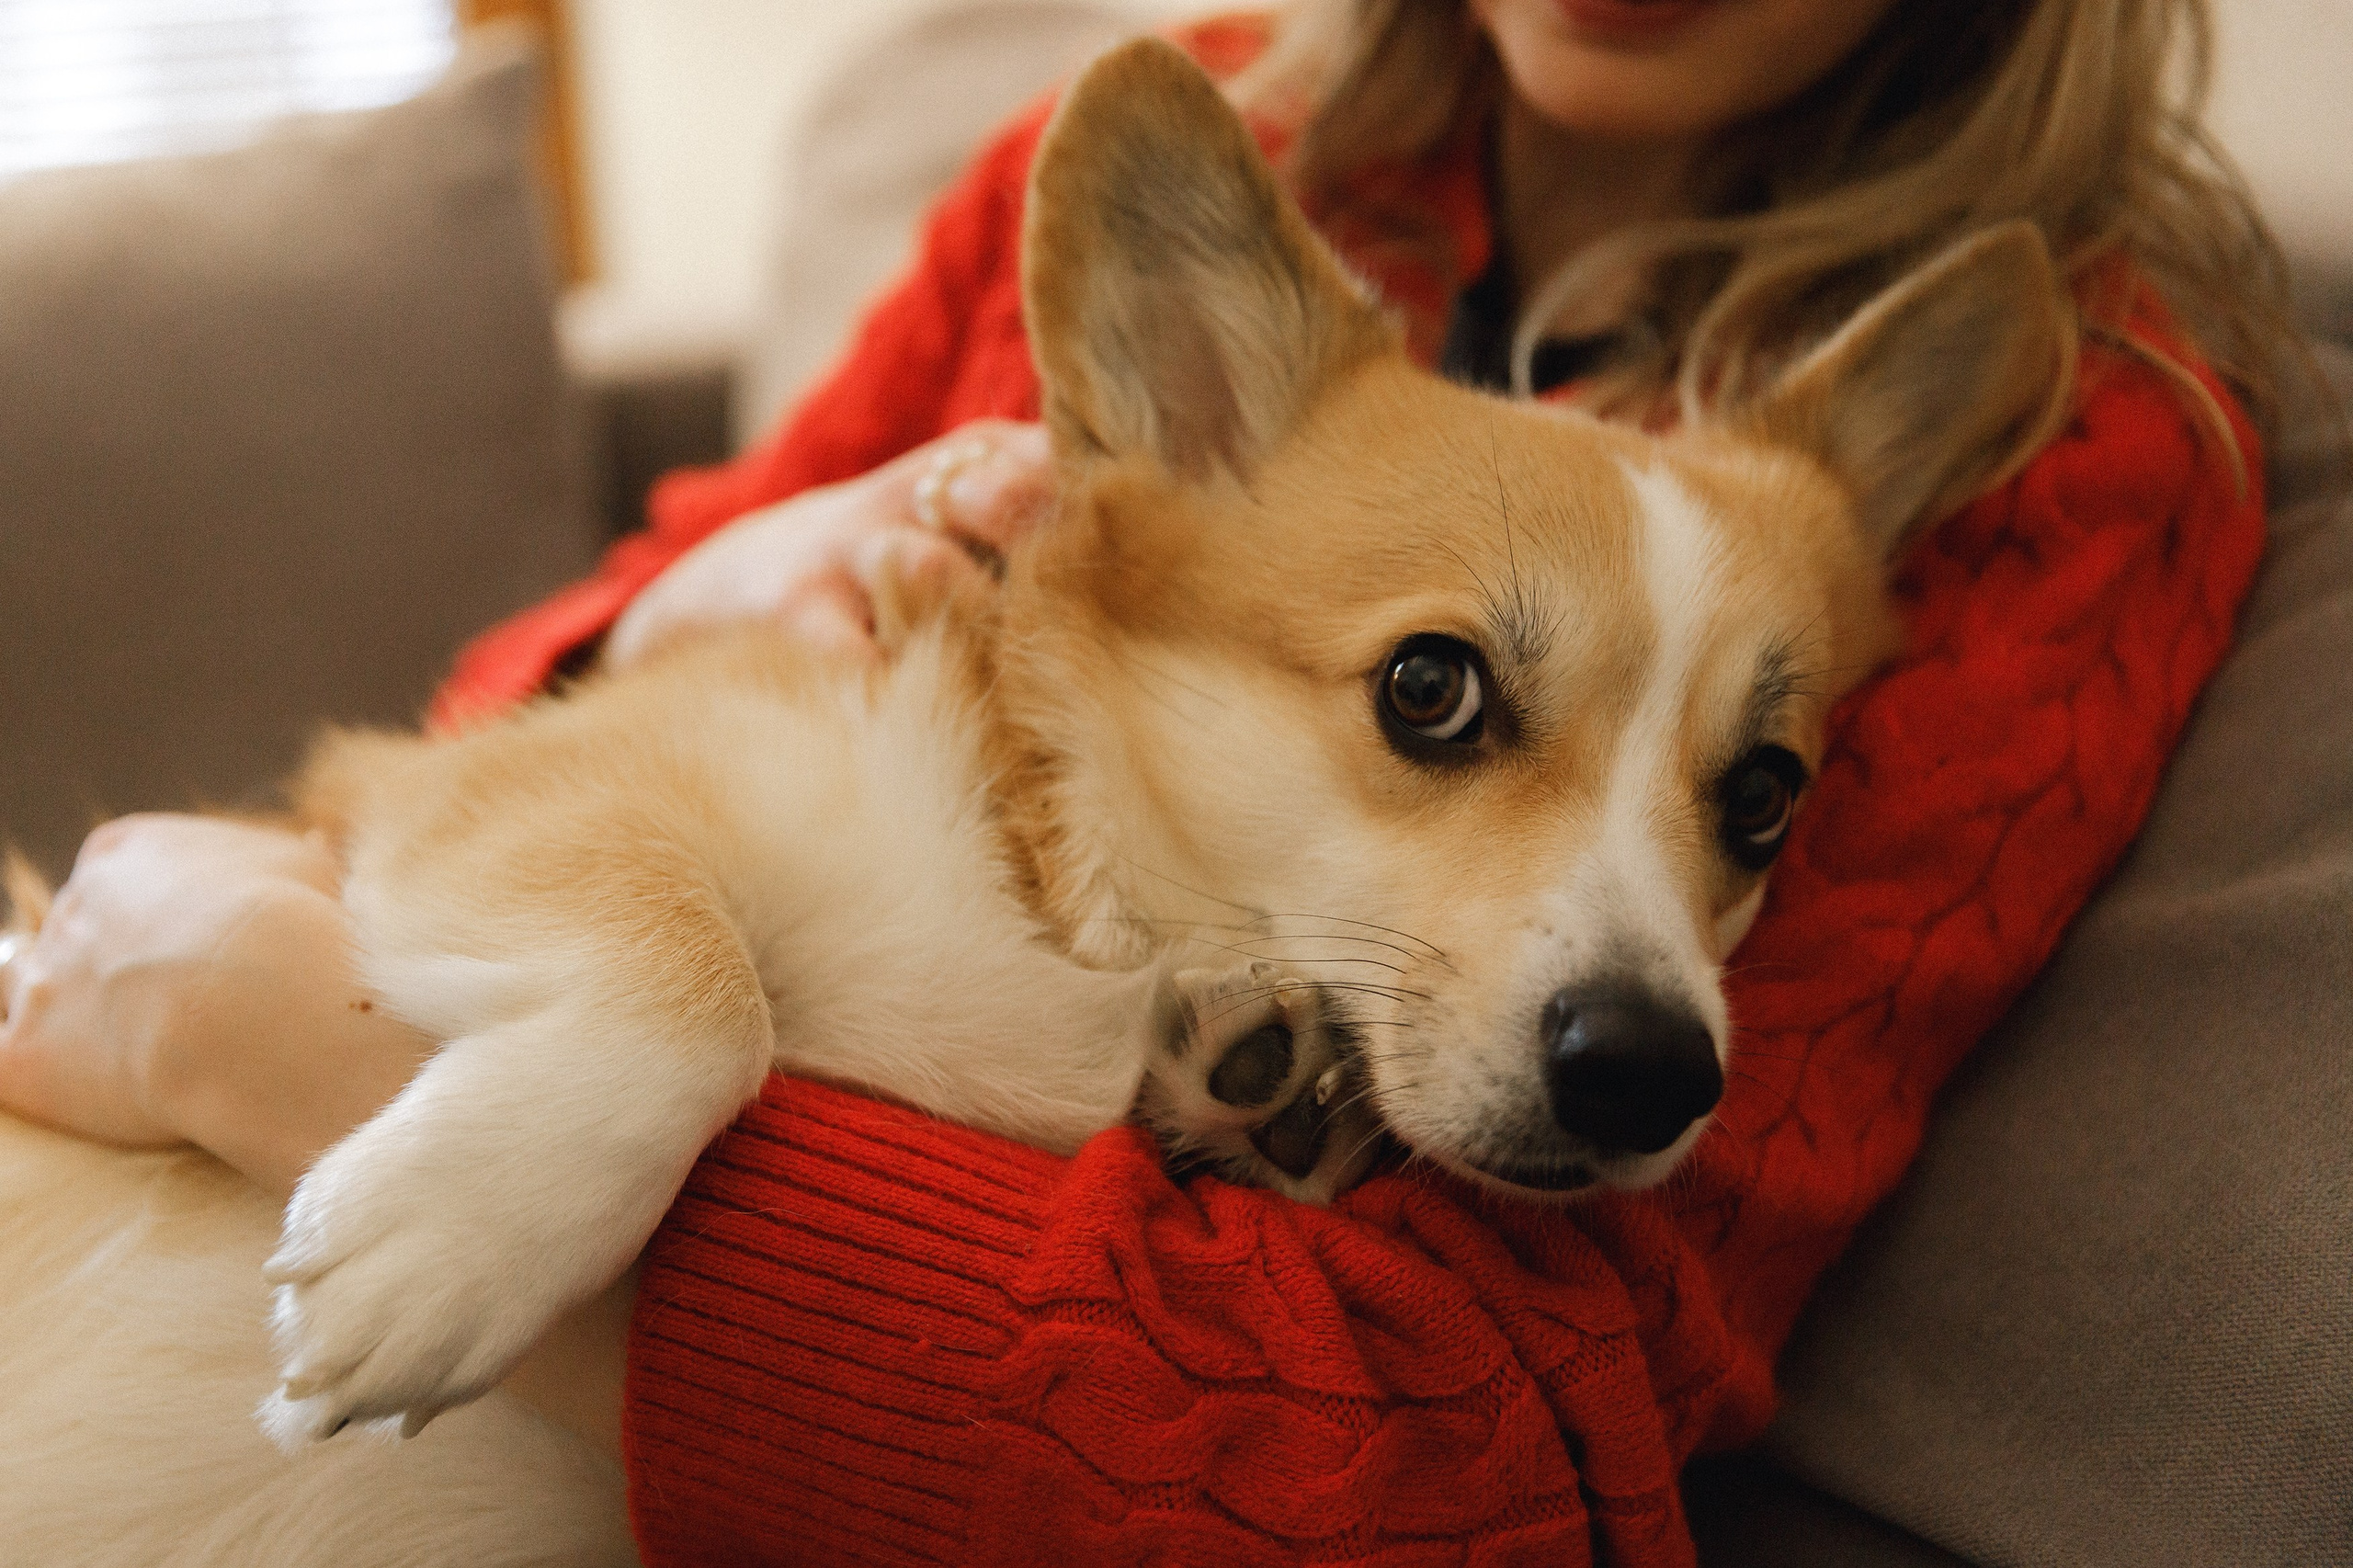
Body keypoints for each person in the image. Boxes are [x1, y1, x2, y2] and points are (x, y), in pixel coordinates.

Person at [0, 0, 2297, 1561]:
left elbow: (1400, 1465)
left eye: (1741, 800)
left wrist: (283, 1041)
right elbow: (532, 700)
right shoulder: (1203, 156)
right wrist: (717, 589)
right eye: (1436, 700)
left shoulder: (2060, 446)